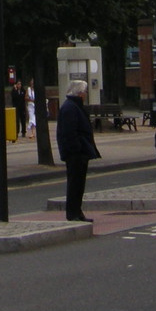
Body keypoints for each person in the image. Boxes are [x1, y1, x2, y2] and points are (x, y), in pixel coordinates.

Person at [57, 79, 99, 221]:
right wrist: (77, 149)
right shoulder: (70, 108)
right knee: (75, 184)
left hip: (80, 152)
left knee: (79, 185)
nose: (86, 94)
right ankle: (73, 213)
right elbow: (69, 132)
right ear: (80, 93)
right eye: (85, 92)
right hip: (75, 154)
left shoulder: (74, 106)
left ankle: (77, 212)